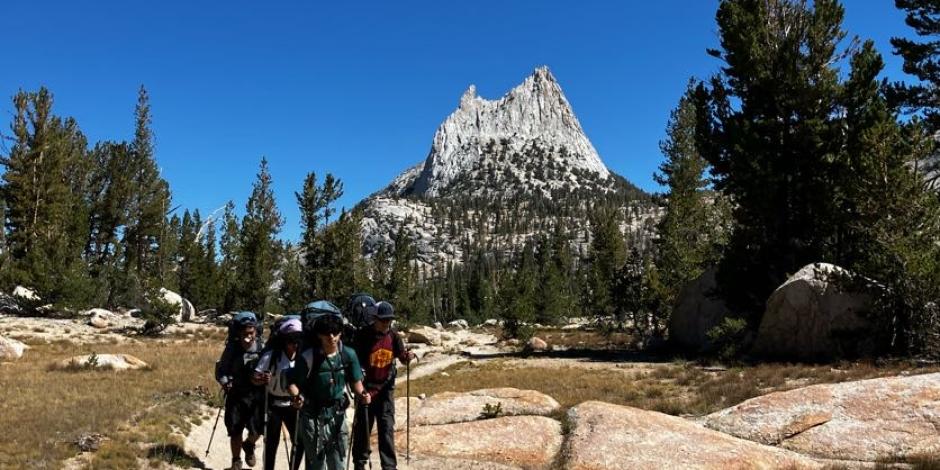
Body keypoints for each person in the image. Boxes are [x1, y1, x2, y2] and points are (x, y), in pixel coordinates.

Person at [288, 314, 370, 470]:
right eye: (326, 333)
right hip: (312, 415)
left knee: (338, 461)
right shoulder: (308, 357)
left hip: (337, 414)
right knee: (316, 464)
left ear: (340, 333)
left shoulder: (348, 355)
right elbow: (293, 383)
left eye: (335, 332)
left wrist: (364, 395)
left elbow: (357, 384)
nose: (331, 337)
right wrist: (296, 396)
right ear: (319, 335)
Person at [351, 301, 414, 470]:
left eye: (389, 320)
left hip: (385, 389)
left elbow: (401, 357)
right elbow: (354, 362)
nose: (387, 323)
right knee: (363, 430)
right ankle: (360, 463)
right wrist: (360, 388)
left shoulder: (393, 336)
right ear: (375, 319)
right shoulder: (363, 336)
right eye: (383, 320)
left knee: (386, 429)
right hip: (366, 390)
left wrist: (407, 357)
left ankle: (389, 466)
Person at [215, 312, 265, 470]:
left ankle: (249, 445)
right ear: (238, 333)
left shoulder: (262, 347)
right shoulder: (232, 349)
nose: (248, 337)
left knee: (257, 430)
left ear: (256, 332)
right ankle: (236, 461)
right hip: (236, 393)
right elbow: (221, 370)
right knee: (235, 430)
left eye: (251, 333)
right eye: (245, 333)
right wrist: (225, 382)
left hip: (257, 395)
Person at [253, 317, 304, 470]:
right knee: (271, 445)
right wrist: (261, 378)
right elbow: (255, 378)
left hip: (293, 404)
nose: (295, 344)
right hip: (273, 405)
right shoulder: (271, 356)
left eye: (298, 340)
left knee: (299, 442)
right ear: (285, 340)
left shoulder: (303, 357)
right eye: (291, 340)